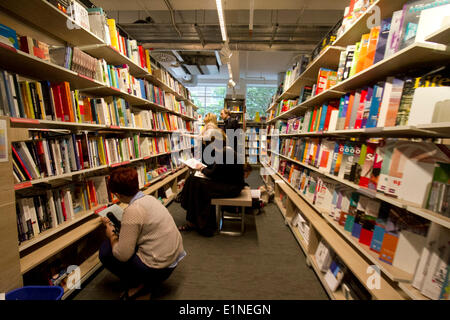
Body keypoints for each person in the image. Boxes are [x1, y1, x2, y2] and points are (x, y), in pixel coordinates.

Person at [99, 167, 186, 300]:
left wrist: (111, 234)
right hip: (171, 260)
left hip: (158, 268)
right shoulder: (149, 199)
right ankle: (145, 283)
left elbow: (122, 255)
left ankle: (141, 286)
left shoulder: (133, 210)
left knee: (106, 250)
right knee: (124, 242)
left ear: (118, 194)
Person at [178, 130, 245, 237]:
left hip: (231, 188)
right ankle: (194, 220)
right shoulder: (226, 151)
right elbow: (217, 171)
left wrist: (201, 168)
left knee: (198, 184)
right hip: (229, 184)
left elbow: (213, 173)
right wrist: (202, 169)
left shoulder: (224, 153)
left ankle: (202, 224)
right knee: (193, 179)